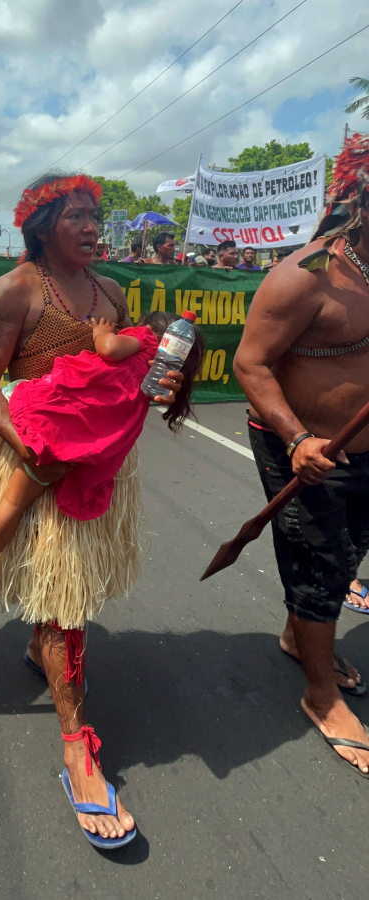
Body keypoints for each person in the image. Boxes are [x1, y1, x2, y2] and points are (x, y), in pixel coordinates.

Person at [0, 171, 184, 848]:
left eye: (96, 215)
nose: (92, 226)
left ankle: (40, 647)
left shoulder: (111, 291)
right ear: (43, 224)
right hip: (36, 456)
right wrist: (23, 442)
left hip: (98, 460)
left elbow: (119, 373)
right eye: (78, 216)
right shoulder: (16, 291)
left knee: (71, 596)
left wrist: (162, 382)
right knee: (68, 601)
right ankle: (75, 748)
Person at [233, 131, 369, 781]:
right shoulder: (306, 275)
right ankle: (321, 693)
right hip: (298, 445)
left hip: (364, 452)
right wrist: (296, 440)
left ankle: (297, 639)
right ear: (364, 200)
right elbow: (250, 363)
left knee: (347, 555)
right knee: (317, 566)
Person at [0, 310, 202, 592]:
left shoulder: (137, 339)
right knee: (18, 506)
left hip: (49, 427)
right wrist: (21, 446)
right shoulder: (17, 288)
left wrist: (101, 334)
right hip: (63, 437)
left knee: (17, 507)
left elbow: (111, 351)